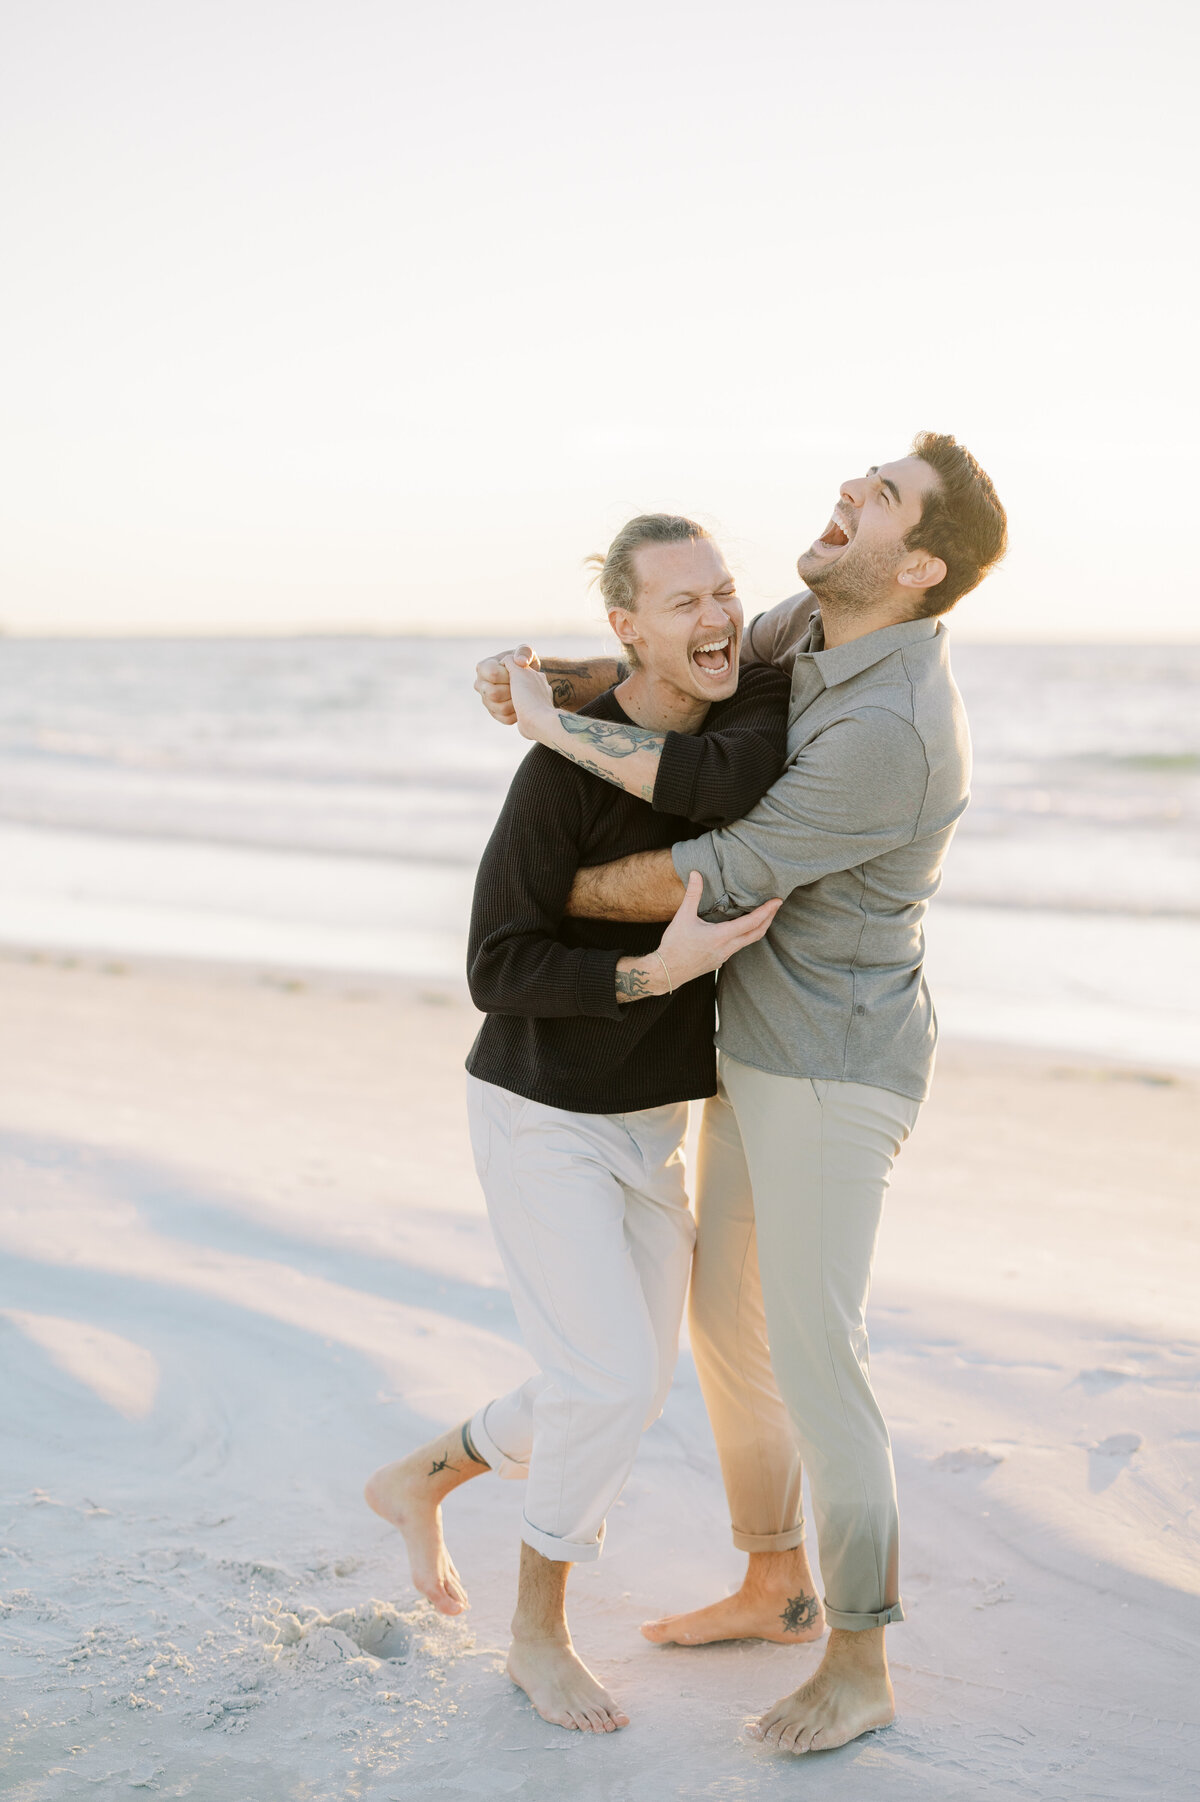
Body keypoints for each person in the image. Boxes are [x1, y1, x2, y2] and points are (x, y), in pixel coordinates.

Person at [473, 432, 1008, 1755]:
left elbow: (729, 860)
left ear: (921, 562)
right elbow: (693, 665)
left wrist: (569, 898)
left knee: (820, 1356)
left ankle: (861, 1652)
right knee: (725, 1327)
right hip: (754, 1046)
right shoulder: (812, 621)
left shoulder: (893, 724)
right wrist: (567, 674)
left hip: (833, 1066)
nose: (846, 492)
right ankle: (774, 1580)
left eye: (878, 496)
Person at [365, 513, 793, 1733]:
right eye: (680, 603)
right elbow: (496, 962)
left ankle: (421, 1473)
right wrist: (650, 973)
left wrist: (551, 684)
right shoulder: (555, 772)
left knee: (619, 1379)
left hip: (649, 1119)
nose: (713, 618)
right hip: (537, 1107)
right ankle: (535, 1633)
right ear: (628, 624)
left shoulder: (752, 717)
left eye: (722, 592)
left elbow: (720, 775)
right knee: (605, 1374)